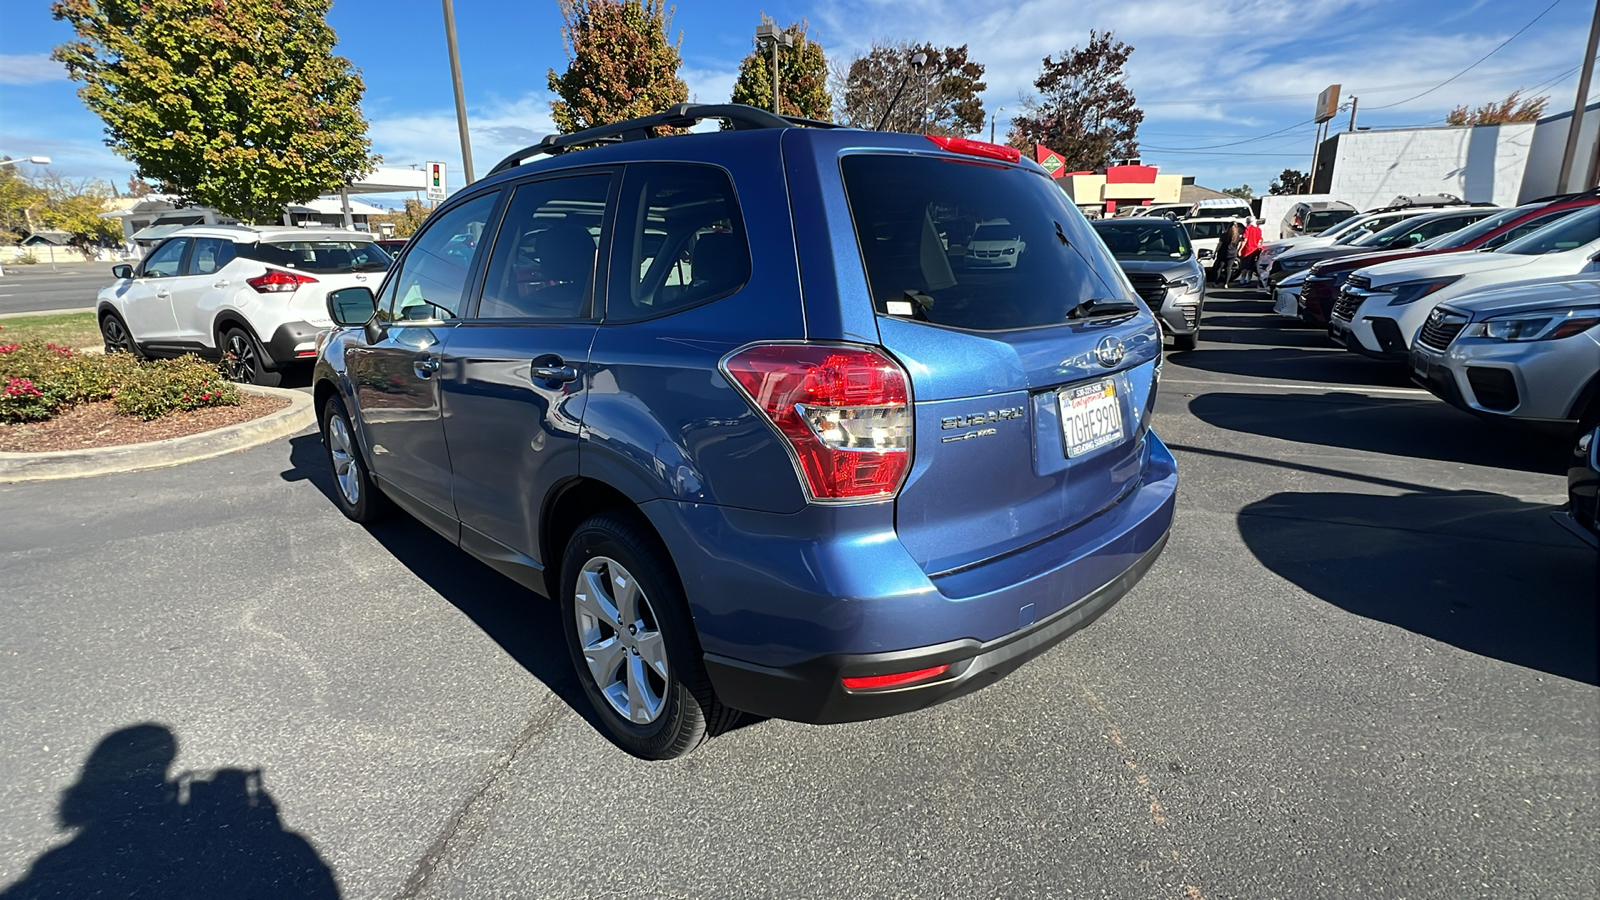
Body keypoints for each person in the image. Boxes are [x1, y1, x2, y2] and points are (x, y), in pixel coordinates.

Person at [1238, 217, 1264, 287]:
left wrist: (1240, 249)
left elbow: (1245, 239)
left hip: (1247, 249)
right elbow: (1260, 240)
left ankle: (1242, 280)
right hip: (1255, 250)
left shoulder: (1248, 228)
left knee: (1244, 265)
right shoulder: (1259, 229)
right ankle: (1249, 279)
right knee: (1251, 265)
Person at [1214, 220, 1240, 287]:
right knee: (1229, 268)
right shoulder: (1237, 236)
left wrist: (1216, 251)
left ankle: (1216, 282)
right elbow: (1238, 244)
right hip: (1232, 254)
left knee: (1219, 268)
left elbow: (1220, 244)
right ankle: (1226, 283)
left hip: (1223, 253)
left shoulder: (1224, 235)